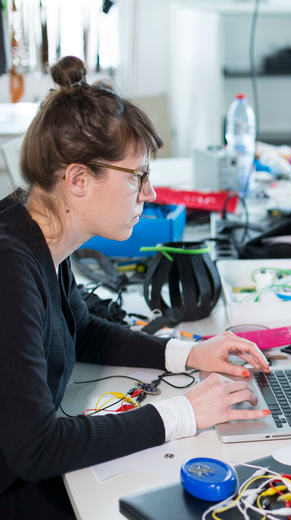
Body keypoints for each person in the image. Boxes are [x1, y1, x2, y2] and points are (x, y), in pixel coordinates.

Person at [0, 57, 273, 519]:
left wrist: (189, 353)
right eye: (137, 176)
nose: (148, 194)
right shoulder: (10, 266)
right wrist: (185, 413)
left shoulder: (39, 233)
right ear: (79, 180)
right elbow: (37, 448)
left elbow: (81, 329)